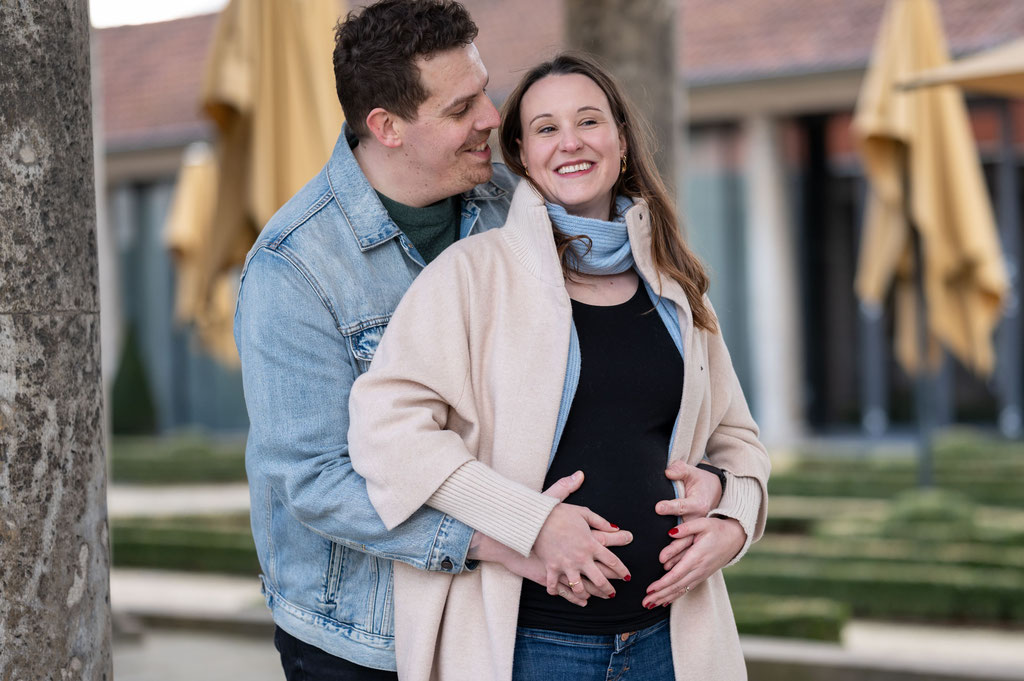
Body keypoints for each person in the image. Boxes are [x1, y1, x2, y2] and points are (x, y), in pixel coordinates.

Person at [234, 2, 719, 679]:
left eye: (485, 91)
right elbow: (314, 480)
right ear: (388, 127)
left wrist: (726, 499)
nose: (493, 117)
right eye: (462, 107)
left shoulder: (511, 206)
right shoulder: (295, 267)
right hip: (363, 637)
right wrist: (508, 535)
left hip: (507, 624)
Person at [348, 52, 771, 681]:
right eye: (546, 128)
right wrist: (531, 521)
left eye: (589, 121)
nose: (570, 142)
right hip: (532, 647)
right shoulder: (470, 276)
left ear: (622, 141)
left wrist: (733, 515)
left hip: (673, 642)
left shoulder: (678, 287)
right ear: (521, 152)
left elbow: (739, 440)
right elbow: (386, 436)